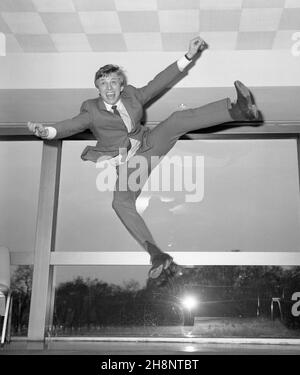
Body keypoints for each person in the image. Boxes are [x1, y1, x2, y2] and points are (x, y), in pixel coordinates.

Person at [28, 36, 261, 285]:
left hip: (148, 144)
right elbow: (71, 125)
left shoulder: (131, 96)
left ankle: (237, 111)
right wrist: (48, 131)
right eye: (103, 84)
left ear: (121, 85)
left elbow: (158, 83)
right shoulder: (91, 111)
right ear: (98, 88)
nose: (109, 88)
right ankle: (156, 254)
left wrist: (188, 56)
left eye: (114, 83)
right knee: (120, 202)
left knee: (177, 120)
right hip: (129, 163)